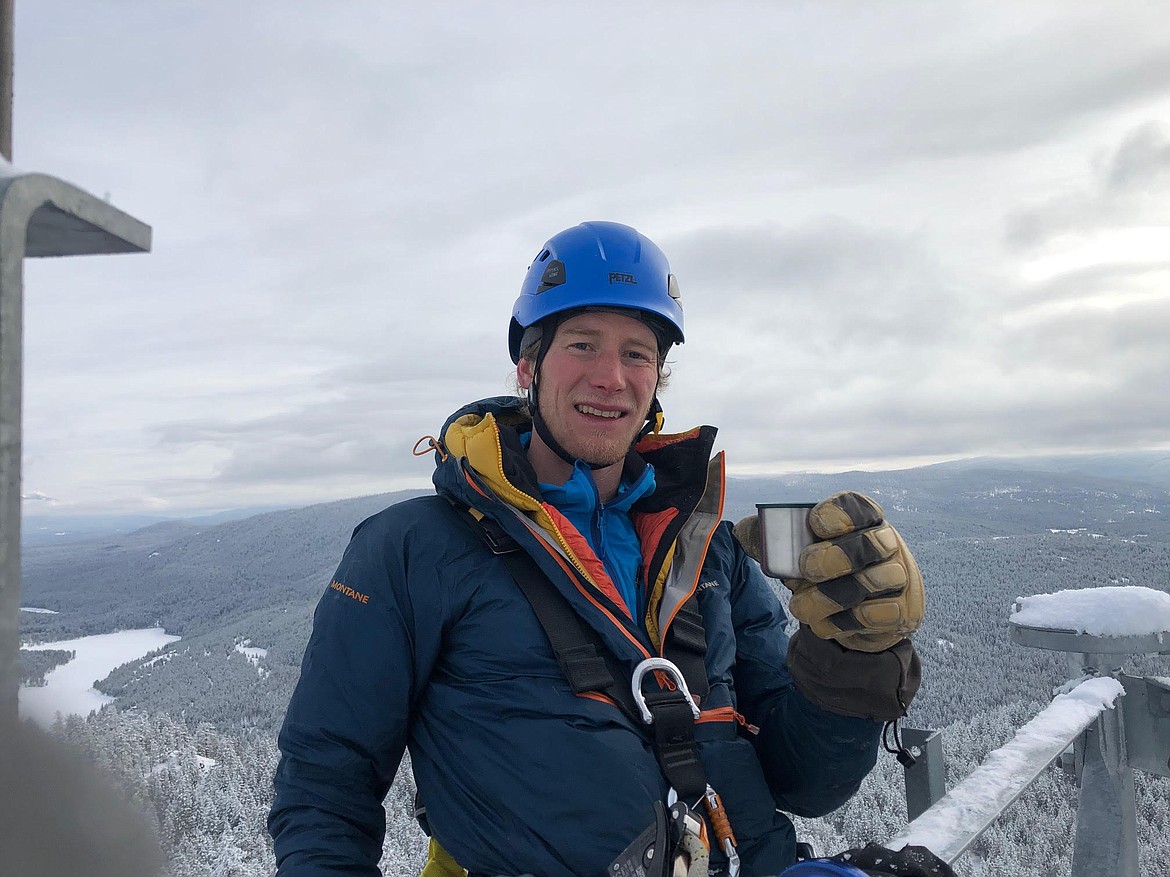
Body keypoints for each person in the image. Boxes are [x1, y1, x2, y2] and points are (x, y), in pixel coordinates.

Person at [268, 221, 925, 877]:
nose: (611, 376)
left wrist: (850, 659)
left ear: (657, 379)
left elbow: (805, 782)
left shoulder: (708, 554)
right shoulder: (415, 550)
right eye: (583, 344)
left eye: (637, 353)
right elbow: (324, 789)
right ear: (527, 365)